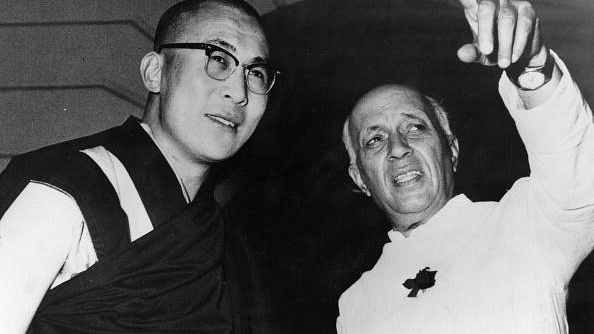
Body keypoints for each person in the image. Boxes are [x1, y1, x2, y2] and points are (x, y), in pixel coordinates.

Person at [0, 0, 279, 333]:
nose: (239, 92)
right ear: (155, 73)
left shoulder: (224, 239)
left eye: (256, 73)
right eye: (217, 59)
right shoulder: (68, 188)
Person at [336, 0, 594, 333]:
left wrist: (531, 67)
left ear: (452, 150)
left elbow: (580, 174)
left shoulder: (525, 225)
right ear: (360, 178)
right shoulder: (355, 306)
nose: (398, 149)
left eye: (415, 127)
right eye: (374, 140)